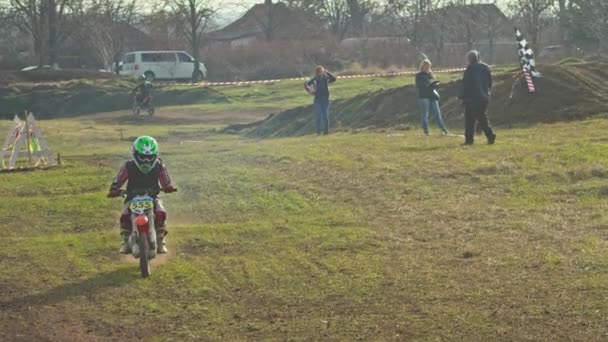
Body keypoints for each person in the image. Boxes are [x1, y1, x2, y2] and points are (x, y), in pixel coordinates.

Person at [107, 136, 176, 254]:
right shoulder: (128, 166)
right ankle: (125, 240)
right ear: (135, 154)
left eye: (149, 157)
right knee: (124, 214)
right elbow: (119, 179)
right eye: (142, 157)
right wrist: (114, 188)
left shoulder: (159, 166)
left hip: (152, 196)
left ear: (155, 155)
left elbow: (166, 180)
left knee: (161, 211)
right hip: (132, 197)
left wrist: (168, 187)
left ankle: (160, 239)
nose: (146, 161)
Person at [459, 50, 496, 145]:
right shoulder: (486, 67)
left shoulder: (470, 69)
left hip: (472, 98)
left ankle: (469, 140)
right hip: (484, 97)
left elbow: (466, 84)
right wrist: (487, 93)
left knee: (469, 119)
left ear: (469, 59)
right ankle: (490, 134)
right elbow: (489, 82)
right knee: (482, 117)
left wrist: (461, 96)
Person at [415, 59, 449, 135]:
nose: (427, 68)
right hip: (424, 96)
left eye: (428, 66)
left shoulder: (431, 74)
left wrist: (435, 84)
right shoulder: (419, 75)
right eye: (426, 66)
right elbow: (418, 85)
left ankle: (443, 129)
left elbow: (435, 83)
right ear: (422, 66)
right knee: (425, 115)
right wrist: (427, 84)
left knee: (437, 114)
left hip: (432, 95)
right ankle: (426, 131)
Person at [305, 66, 336, 135]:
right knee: (318, 116)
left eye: (321, 71)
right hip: (317, 99)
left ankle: (326, 132)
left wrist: (328, 73)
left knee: (325, 116)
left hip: (325, 99)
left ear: (323, 71)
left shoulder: (326, 78)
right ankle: (318, 132)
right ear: (316, 72)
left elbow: (334, 79)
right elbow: (307, 84)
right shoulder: (315, 79)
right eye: (318, 72)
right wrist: (309, 91)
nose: (320, 73)